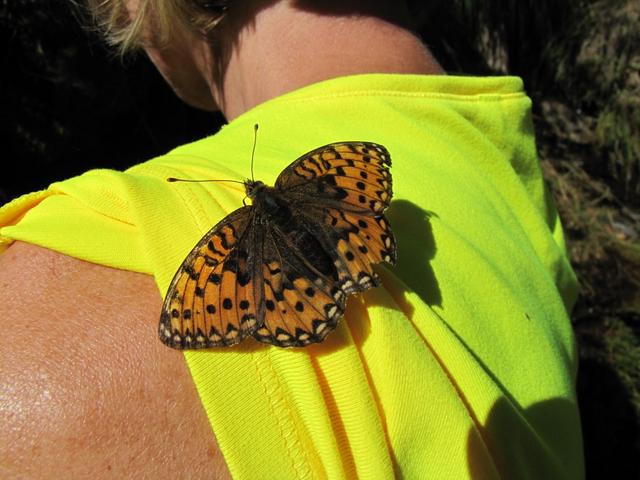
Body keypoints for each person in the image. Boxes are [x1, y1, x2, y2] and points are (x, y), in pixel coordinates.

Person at [0, 0, 584, 478]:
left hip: (288, 292)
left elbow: (206, 303)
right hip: (345, 231)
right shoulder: (502, 161)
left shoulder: (62, 279)